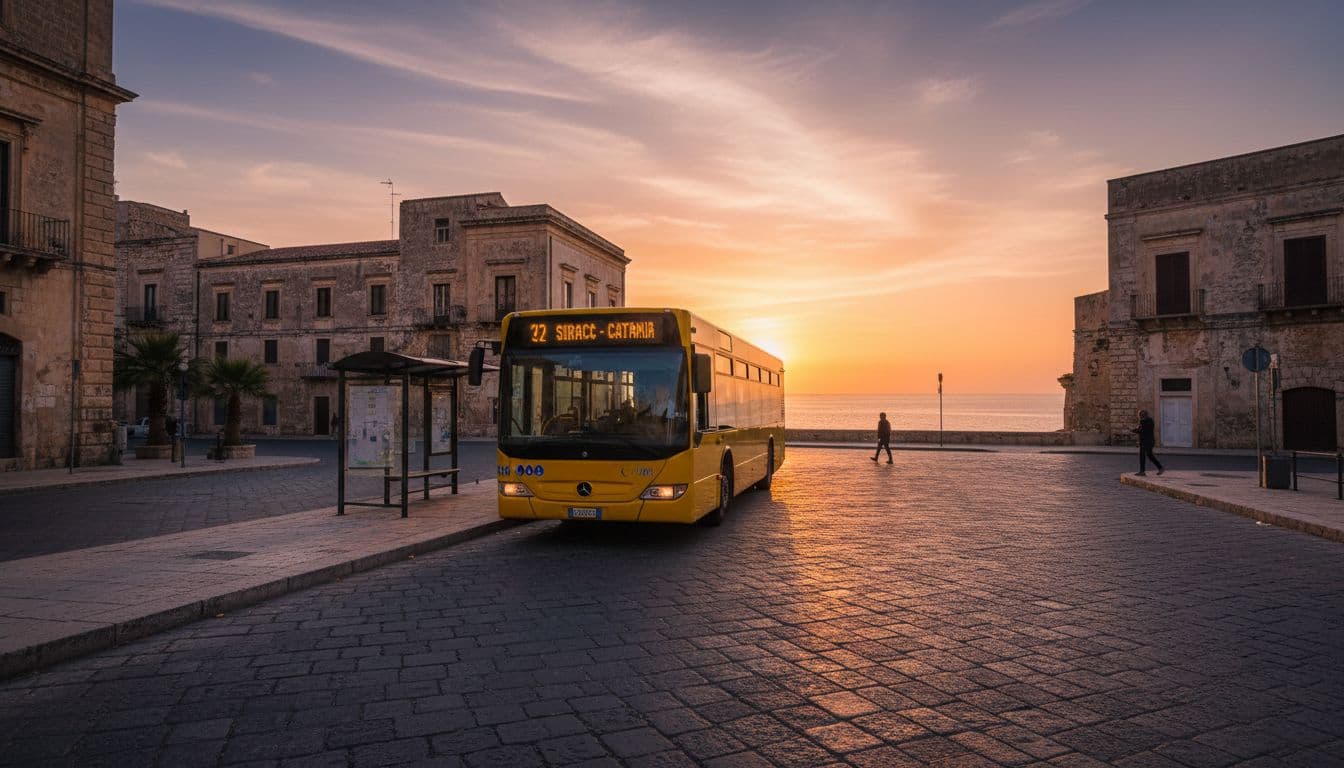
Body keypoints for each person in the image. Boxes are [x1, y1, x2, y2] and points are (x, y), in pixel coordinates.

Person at [1132, 409, 1163, 476]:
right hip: (1150, 441)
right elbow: (1144, 430)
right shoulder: (1150, 420)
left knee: (1142, 456)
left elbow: (1142, 431)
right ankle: (1160, 468)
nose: (1140, 416)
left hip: (1145, 442)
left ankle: (1142, 471)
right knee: (1150, 455)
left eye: (1140, 415)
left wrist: (1133, 430)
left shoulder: (1143, 421)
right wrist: (1136, 430)